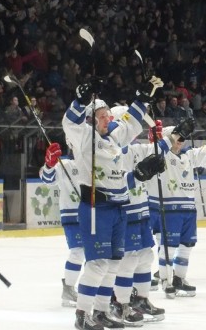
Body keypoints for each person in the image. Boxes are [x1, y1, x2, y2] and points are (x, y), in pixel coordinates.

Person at [63, 78, 166, 330]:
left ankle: (100, 312)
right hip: (97, 209)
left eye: (109, 115)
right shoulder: (84, 138)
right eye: (101, 116)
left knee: (112, 263)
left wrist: (142, 98)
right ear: (90, 119)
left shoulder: (113, 139)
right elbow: (68, 122)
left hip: (119, 209)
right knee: (97, 263)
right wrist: (79, 100)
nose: (108, 119)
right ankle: (81, 315)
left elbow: (130, 123)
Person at [150, 121, 206, 296]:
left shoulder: (189, 156)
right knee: (169, 248)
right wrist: (155, 139)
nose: (180, 140)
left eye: (182, 137)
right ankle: (166, 281)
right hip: (170, 209)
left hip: (189, 210)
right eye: (176, 137)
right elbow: (154, 150)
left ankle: (179, 279)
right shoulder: (161, 157)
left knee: (187, 246)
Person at [107, 106, 164, 324]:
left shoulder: (133, 149)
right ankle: (120, 304)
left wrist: (158, 141)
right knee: (128, 260)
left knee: (145, 256)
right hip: (124, 212)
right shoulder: (111, 150)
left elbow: (157, 155)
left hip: (141, 211)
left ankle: (141, 299)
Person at [39, 141, 84, 307]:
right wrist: (49, 165)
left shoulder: (93, 162)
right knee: (78, 252)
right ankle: (69, 288)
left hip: (93, 215)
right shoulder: (64, 165)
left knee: (96, 255)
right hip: (72, 215)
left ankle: (92, 288)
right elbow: (47, 179)